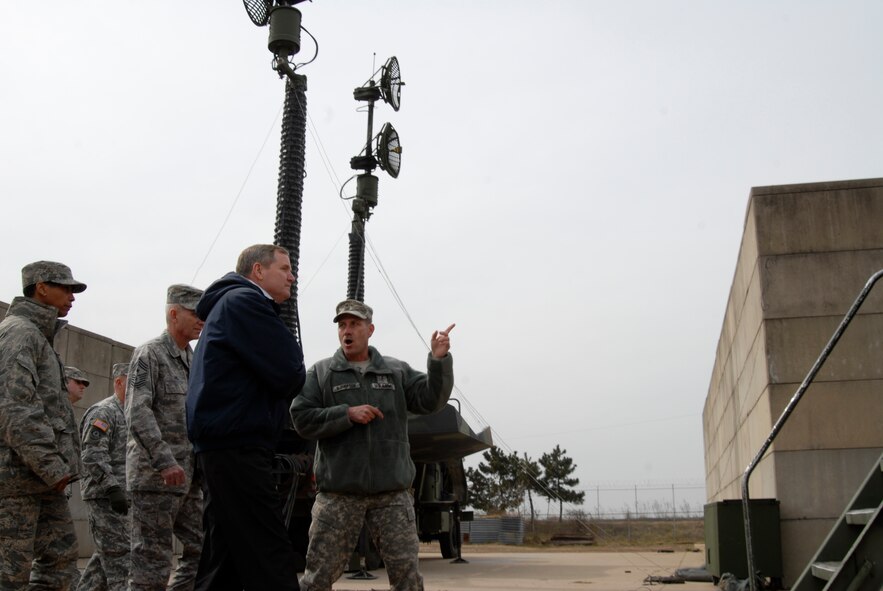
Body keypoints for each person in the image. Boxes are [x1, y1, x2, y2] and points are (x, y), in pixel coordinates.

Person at [290, 299, 455, 591]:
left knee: (408, 580)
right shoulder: (322, 373)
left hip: (391, 495)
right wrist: (346, 414)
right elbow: (301, 418)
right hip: (338, 496)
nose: (347, 330)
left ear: (370, 329)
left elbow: (431, 400)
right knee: (316, 579)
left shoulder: (395, 371)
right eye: (342, 325)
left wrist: (438, 361)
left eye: (354, 324)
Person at [186, 244, 306, 591]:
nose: (291, 276)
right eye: (284, 269)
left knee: (222, 556)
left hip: (222, 444)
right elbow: (289, 371)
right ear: (258, 271)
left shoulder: (228, 306)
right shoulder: (246, 303)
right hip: (238, 443)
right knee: (269, 551)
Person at [0, 260, 86, 590]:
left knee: (62, 560)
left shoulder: (39, 336)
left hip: (41, 481)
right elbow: (14, 408)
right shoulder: (19, 334)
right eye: (66, 288)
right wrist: (53, 466)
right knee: (11, 575)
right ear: (41, 288)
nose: (72, 297)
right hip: (17, 481)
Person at [126, 284, 204, 591]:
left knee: (203, 549)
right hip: (155, 479)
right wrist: (164, 461)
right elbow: (137, 411)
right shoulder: (150, 354)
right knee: (151, 563)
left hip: (187, 479)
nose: (202, 320)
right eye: (196, 313)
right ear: (174, 313)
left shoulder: (194, 359)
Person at [78, 361, 131, 591]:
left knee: (105, 557)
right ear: (118, 382)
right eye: (133, 383)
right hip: (105, 496)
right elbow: (92, 453)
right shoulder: (104, 412)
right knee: (121, 557)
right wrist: (112, 488)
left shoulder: (130, 413)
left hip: (121, 496)